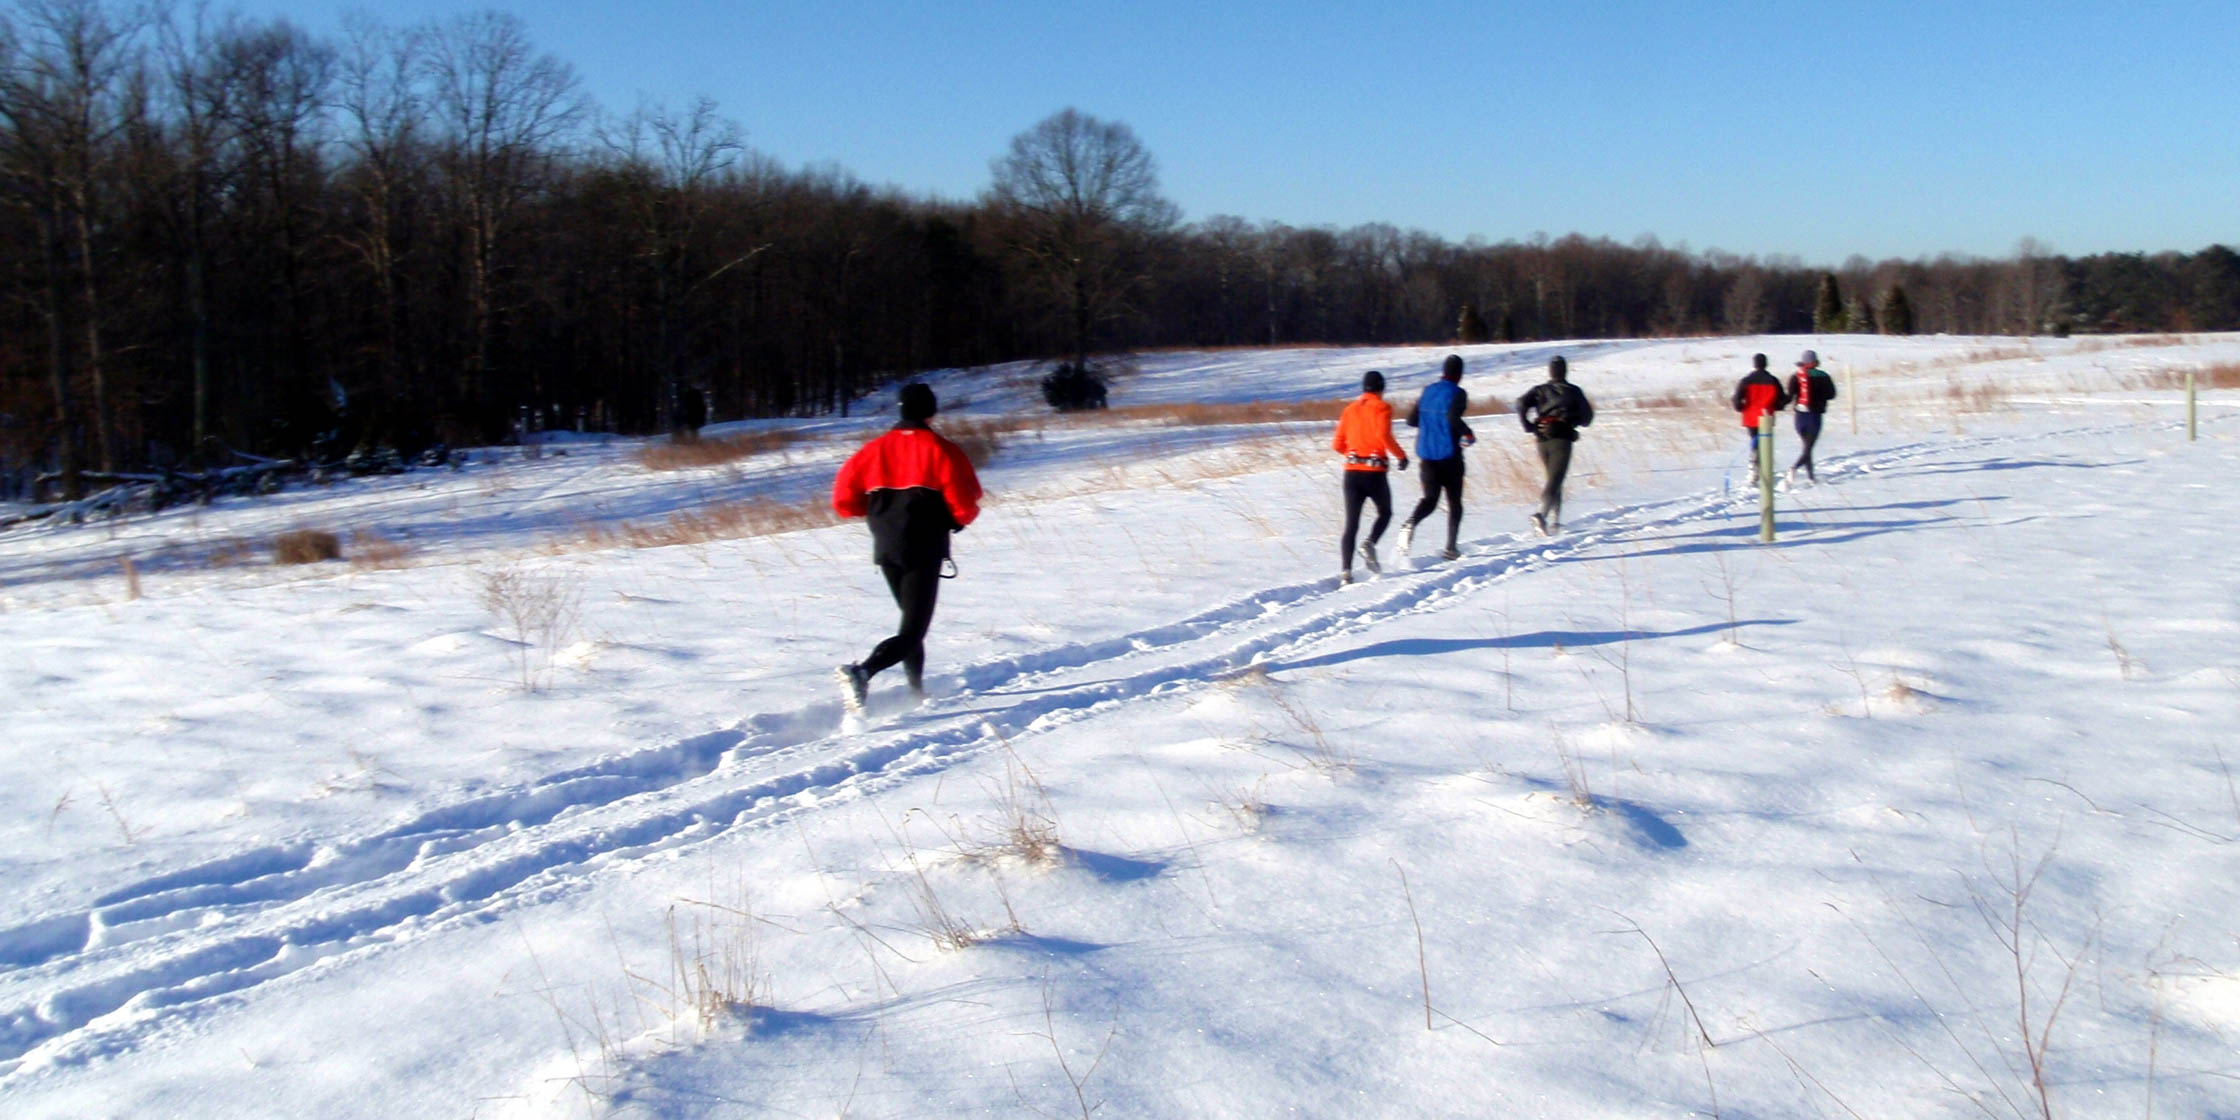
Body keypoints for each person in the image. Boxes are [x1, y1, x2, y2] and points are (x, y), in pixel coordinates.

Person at [831, 382, 982, 713]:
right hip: (923, 548)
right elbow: (966, 504)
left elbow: (843, 501)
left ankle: (916, 693)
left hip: (886, 548)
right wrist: (955, 521)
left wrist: (879, 514)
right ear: (931, 411)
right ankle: (862, 672)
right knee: (913, 630)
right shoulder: (941, 449)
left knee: (909, 626)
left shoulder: (871, 451)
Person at [1331, 369, 1408, 583]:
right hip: (1374, 473)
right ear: (1381, 388)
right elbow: (1383, 435)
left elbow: (1337, 444)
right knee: (1385, 512)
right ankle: (1370, 543)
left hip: (1352, 473)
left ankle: (1346, 572)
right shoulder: (1383, 407)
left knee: (1351, 525)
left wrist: (1354, 453)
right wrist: (1401, 456)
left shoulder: (1349, 410)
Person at [1399, 354, 1477, 560]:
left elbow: (1411, 420)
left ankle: (1411, 522)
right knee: (1455, 502)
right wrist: (1467, 433)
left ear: (1443, 371)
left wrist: (1430, 423)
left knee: (1430, 500)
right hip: (1449, 457)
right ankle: (1451, 548)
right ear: (1459, 374)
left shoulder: (1427, 391)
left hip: (1427, 457)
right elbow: (1453, 418)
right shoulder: (1458, 393)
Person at [1514, 355, 1593, 536]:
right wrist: (1573, 421)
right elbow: (1587, 418)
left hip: (1541, 438)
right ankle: (1541, 515)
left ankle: (1556, 522)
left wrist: (1528, 425)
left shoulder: (1540, 390)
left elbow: (1520, 403)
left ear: (1550, 371)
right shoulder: (1573, 391)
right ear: (1565, 371)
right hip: (1562, 438)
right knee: (1556, 479)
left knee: (1553, 477)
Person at [1731, 353, 1791, 485]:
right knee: (1765, 444)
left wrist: (1741, 408)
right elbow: (1781, 399)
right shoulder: (1773, 380)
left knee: (1754, 441)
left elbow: (1736, 399)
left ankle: (1753, 468)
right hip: (1766, 416)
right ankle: (1764, 470)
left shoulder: (1746, 380)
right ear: (1766, 364)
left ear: (1755, 364)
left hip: (1750, 416)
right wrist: (1782, 403)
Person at [1785, 349, 1837, 485]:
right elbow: (1832, 394)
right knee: (1808, 448)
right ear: (1815, 362)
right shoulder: (1824, 376)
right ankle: (1794, 468)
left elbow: (1789, 395)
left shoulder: (1796, 376)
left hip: (1799, 417)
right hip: (1814, 416)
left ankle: (1811, 477)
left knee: (1807, 448)